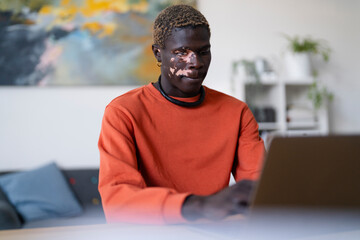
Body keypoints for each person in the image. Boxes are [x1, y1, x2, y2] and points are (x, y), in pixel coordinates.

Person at [98, 4, 264, 224]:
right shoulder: (123, 112)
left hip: (214, 232)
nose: (195, 63)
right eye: (181, 52)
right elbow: (117, 202)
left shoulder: (237, 112)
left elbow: (262, 190)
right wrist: (199, 206)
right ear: (158, 53)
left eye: (203, 51)